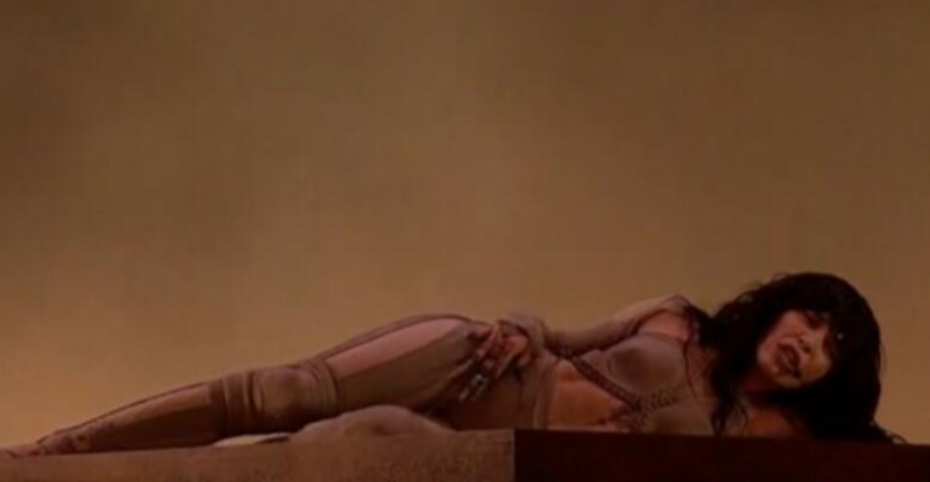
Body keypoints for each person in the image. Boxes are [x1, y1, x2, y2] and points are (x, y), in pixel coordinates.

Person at [1, 271, 894, 458]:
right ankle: (53, 454)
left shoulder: (764, 430)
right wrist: (517, 326)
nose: (807, 344)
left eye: (828, 351)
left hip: (484, 454)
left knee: (329, 453)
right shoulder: (675, 316)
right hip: (480, 368)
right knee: (281, 391)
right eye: (811, 320)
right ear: (781, 305)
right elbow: (558, 333)